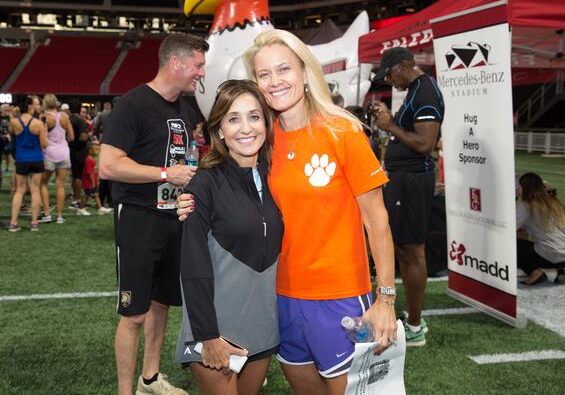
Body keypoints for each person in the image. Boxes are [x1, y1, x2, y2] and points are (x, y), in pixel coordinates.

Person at [179, 29, 397, 395]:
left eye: (284, 69)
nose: (275, 81)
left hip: (340, 297)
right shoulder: (265, 140)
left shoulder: (343, 131)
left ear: (304, 71)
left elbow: (378, 221)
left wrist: (386, 298)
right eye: (264, 74)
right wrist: (193, 201)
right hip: (280, 300)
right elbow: (237, 191)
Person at [100, 32, 208, 395]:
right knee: (134, 313)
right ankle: (125, 392)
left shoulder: (185, 107)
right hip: (138, 217)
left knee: (162, 303)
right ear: (175, 63)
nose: (201, 73)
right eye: (197, 65)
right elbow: (109, 166)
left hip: (173, 218)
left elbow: (184, 157)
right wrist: (165, 175)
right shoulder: (133, 104)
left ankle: (150, 379)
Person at [173, 79, 283, 395]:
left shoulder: (277, 177)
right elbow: (192, 265)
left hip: (262, 325)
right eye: (233, 119)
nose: (245, 128)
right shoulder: (204, 185)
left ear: (266, 123)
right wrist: (208, 335)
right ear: (220, 129)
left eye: (254, 116)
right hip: (216, 328)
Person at [372, 47, 444, 347]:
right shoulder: (416, 90)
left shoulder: (425, 92)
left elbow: (425, 143)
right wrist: (391, 122)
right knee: (403, 248)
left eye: (390, 74)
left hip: (413, 181)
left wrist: (389, 126)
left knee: (412, 251)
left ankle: (414, 325)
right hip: (405, 180)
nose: (389, 81)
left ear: (403, 66)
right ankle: (413, 317)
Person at [517, 172, 565, 285]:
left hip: (553, 256)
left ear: (525, 188)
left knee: (514, 245)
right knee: (553, 238)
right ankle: (560, 271)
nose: (518, 188)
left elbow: (509, 228)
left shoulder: (525, 205)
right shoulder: (553, 201)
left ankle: (535, 273)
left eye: (519, 186)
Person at [8, 95, 48, 232]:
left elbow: (12, 135)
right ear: (30, 106)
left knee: (19, 191)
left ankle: (13, 222)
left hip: (21, 159)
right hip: (36, 158)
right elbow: (44, 144)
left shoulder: (14, 122)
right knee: (35, 189)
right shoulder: (38, 123)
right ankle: (34, 222)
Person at [39, 94, 74, 224]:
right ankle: (60, 216)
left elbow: (43, 138)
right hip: (64, 152)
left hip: (49, 153)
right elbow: (71, 137)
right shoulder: (65, 117)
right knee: (60, 185)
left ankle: (47, 214)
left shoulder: (45, 118)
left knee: (43, 183)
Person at [68, 100, 89, 212]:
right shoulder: (80, 121)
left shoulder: (67, 119)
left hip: (69, 149)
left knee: (73, 174)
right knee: (78, 176)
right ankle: (76, 198)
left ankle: (74, 197)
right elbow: (84, 137)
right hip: (78, 150)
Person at [80, 142, 112, 215]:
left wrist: (97, 180)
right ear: (90, 151)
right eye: (96, 150)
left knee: (96, 194)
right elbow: (89, 173)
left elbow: (95, 172)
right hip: (88, 182)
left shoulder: (92, 160)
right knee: (86, 194)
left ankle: (100, 208)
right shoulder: (88, 160)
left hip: (93, 181)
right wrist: (93, 182)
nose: (98, 151)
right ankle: (81, 209)